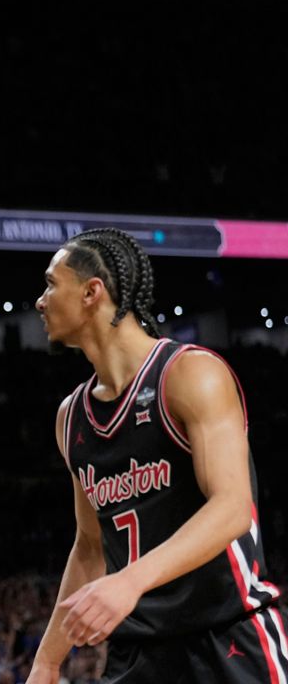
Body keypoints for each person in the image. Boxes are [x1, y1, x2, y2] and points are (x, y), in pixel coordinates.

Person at [27, 228, 286, 683]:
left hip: (226, 637)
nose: (40, 301)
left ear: (91, 292)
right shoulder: (71, 417)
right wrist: (47, 661)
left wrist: (130, 581)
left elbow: (232, 508)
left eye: (51, 284)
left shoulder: (190, 374)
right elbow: (90, 547)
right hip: (137, 653)